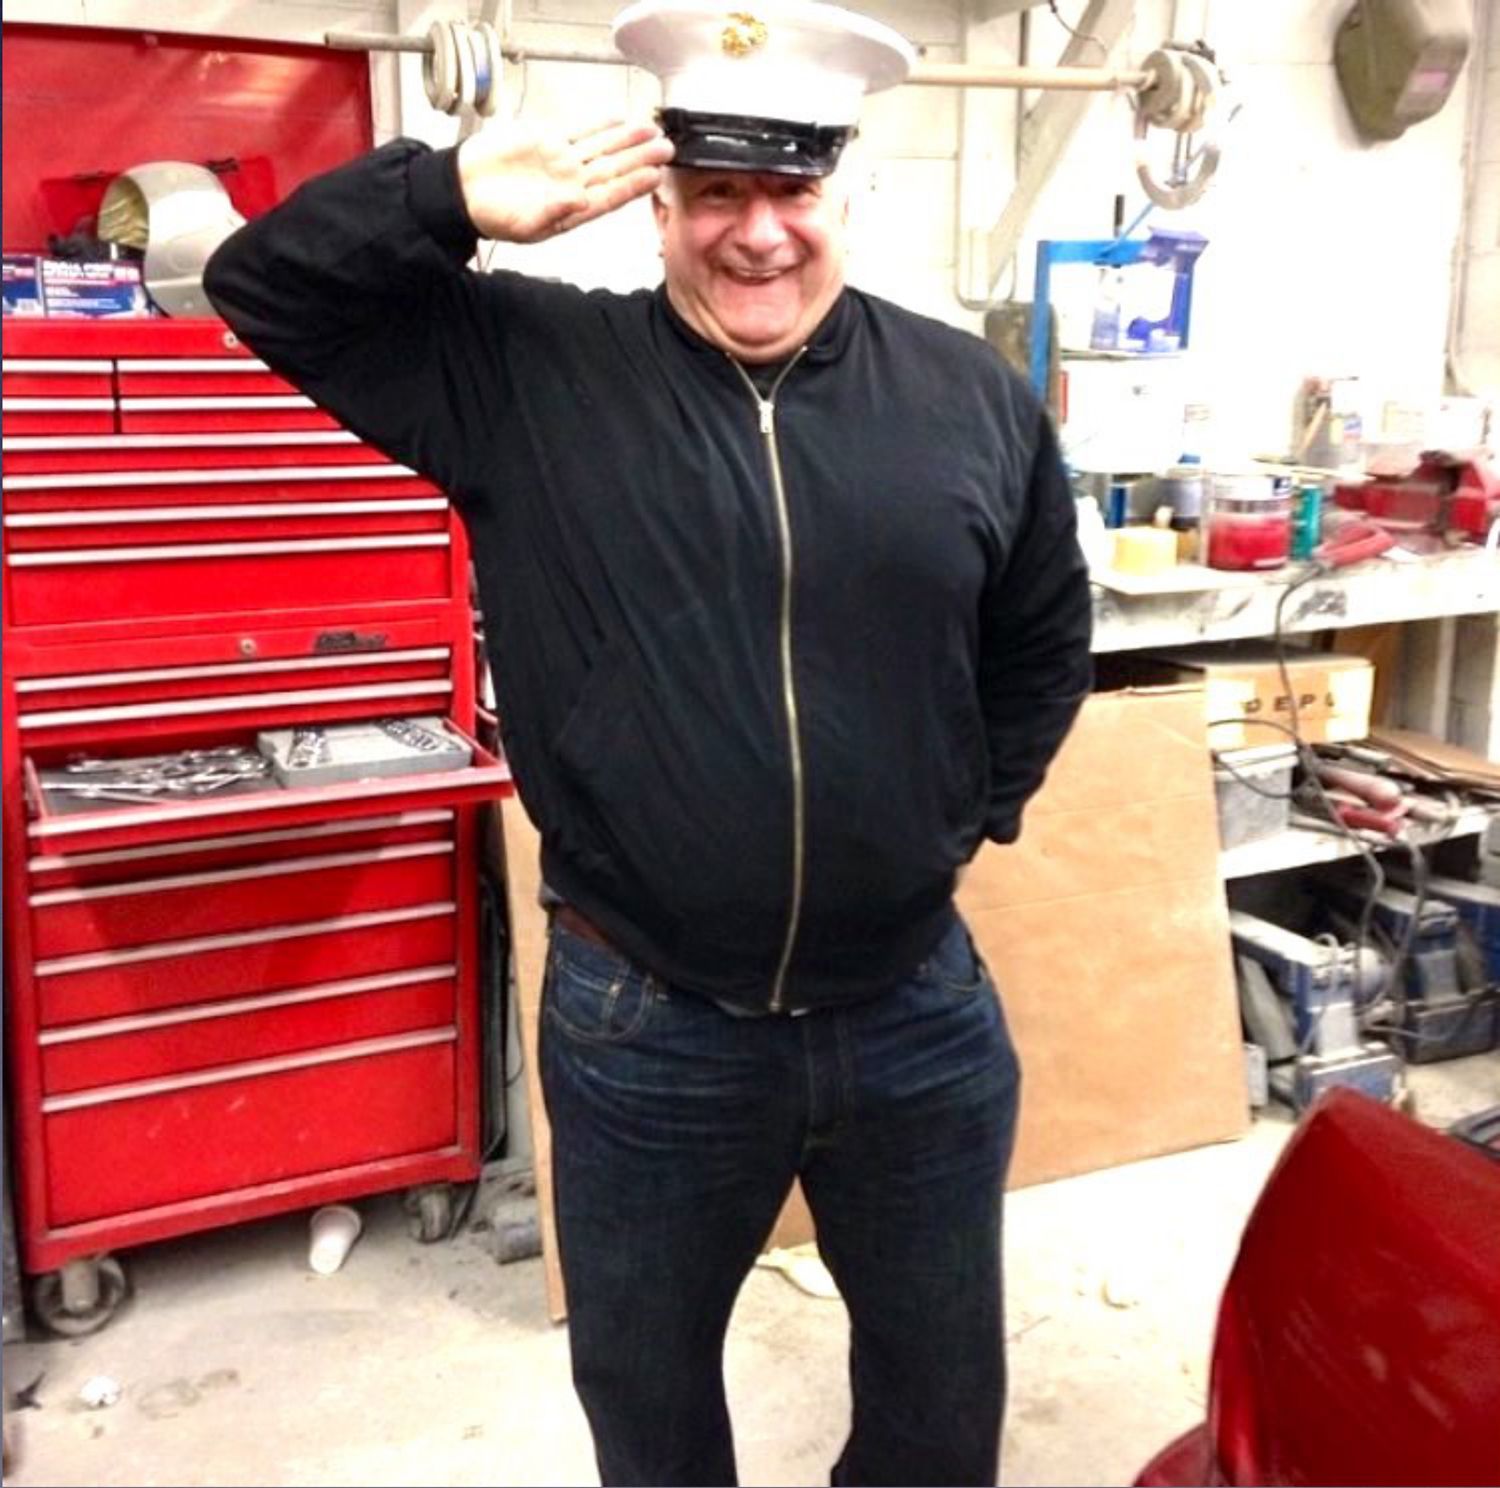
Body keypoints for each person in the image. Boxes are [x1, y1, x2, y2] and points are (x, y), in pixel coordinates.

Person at [204, 2, 1092, 1481]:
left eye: (792, 188)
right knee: (652, 1408)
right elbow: (263, 290)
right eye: (718, 191)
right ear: (658, 204)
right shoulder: (526, 372)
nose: (760, 233)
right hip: (651, 1025)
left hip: (914, 1013)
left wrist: (956, 819)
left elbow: (1041, 638)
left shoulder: (968, 398)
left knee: (941, 1410)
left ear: (845, 195)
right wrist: (444, 197)